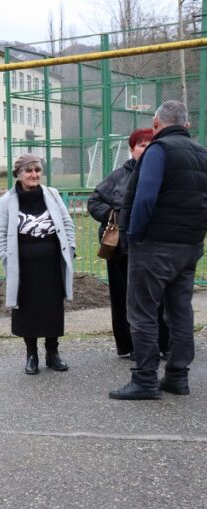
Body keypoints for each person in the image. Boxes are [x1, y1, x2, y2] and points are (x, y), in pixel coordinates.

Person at [110, 100, 207, 400]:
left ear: (156, 124)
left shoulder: (158, 150)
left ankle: (145, 379)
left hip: (154, 247)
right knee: (179, 311)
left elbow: (144, 198)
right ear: (186, 124)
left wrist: (135, 235)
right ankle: (178, 376)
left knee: (142, 313)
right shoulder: (203, 153)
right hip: (189, 246)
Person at [88, 129, 170, 361]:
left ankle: (163, 343)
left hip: (154, 247)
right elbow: (94, 201)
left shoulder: (164, 174)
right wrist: (114, 215)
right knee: (125, 297)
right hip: (121, 249)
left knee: (158, 297)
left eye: (149, 145)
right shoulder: (117, 176)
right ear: (131, 149)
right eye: (140, 145)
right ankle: (130, 344)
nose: (145, 150)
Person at [0, 153, 75, 375]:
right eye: (28, 171)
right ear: (18, 174)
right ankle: (31, 355)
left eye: (37, 170)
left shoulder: (53, 195)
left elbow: (67, 225)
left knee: (52, 309)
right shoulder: (7, 201)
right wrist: (7, 259)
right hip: (23, 268)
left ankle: (52, 353)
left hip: (51, 265)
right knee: (27, 310)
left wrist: (71, 250)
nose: (34, 174)